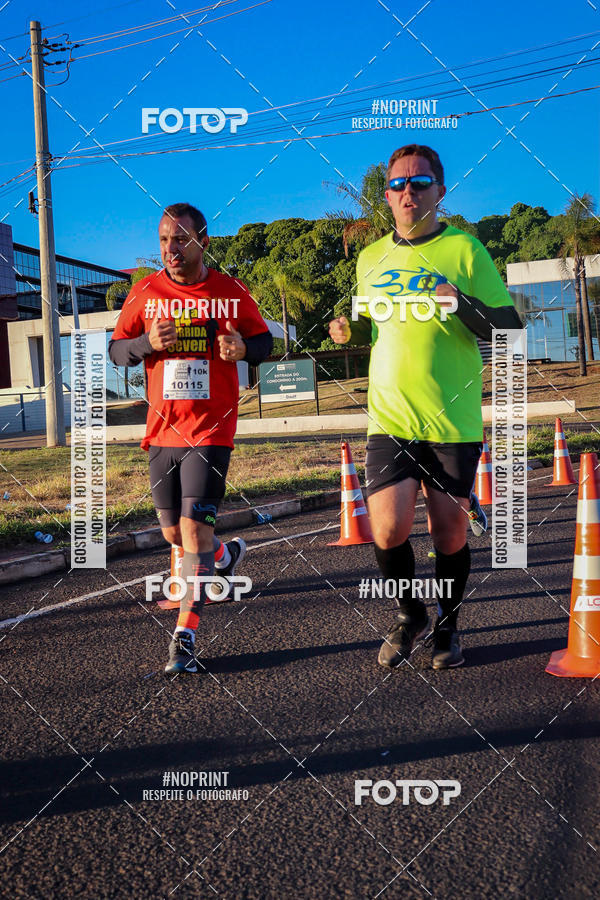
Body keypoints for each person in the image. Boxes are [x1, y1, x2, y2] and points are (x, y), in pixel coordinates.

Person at [329, 144, 522, 670]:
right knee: (387, 531)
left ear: (440, 190)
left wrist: (458, 301)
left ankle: (448, 626)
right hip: (389, 418)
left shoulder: (465, 251)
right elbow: (371, 326)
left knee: (449, 533)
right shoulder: (370, 259)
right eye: (397, 184)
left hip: (451, 419)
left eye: (419, 182)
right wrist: (351, 329)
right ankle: (409, 613)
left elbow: (507, 330)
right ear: (386, 195)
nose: (407, 191)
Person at [109, 202, 272, 675]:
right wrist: (147, 345)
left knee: (194, 531)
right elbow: (118, 351)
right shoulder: (145, 293)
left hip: (211, 430)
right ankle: (226, 555)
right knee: (170, 532)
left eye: (180, 239)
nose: (170, 249)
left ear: (202, 240)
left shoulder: (230, 292)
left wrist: (243, 348)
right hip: (162, 430)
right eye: (163, 240)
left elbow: (265, 342)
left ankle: (186, 636)